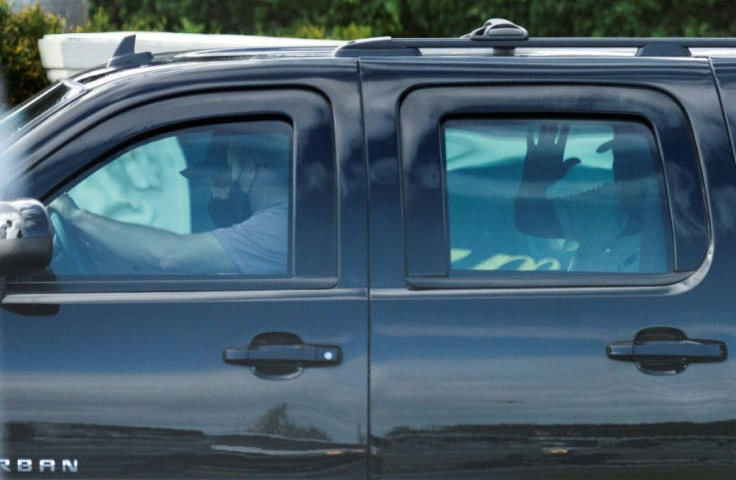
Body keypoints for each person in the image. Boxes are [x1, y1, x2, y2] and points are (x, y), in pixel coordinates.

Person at [50, 132, 290, 275]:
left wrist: (76, 215)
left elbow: (169, 254)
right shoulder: (277, 222)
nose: (213, 191)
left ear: (248, 169)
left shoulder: (278, 226)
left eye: (219, 178)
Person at [513, 122, 664, 273]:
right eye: (619, 160)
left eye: (635, 164)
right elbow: (529, 220)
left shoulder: (678, 231)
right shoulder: (607, 201)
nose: (622, 174)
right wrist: (534, 183)